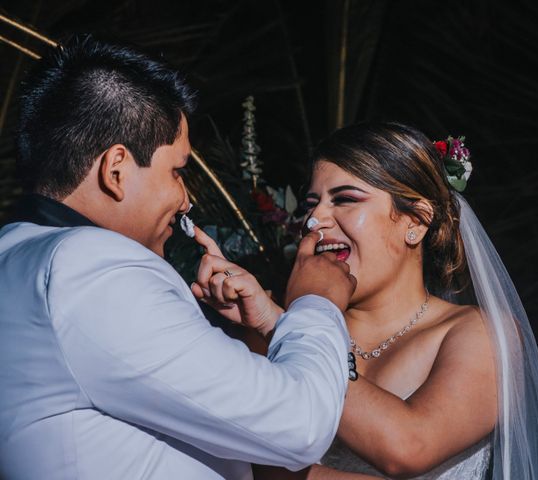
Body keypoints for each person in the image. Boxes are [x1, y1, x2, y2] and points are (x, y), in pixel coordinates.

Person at [0, 35, 357, 480]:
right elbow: (299, 425)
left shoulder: (14, 252)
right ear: (116, 170)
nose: (187, 200)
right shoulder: (92, 269)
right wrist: (314, 303)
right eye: (177, 171)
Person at [243, 123, 538, 479]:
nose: (314, 220)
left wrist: (283, 329)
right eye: (312, 204)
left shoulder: (479, 336)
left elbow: (408, 447)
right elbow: (261, 471)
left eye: (345, 199)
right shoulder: (269, 329)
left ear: (415, 221)